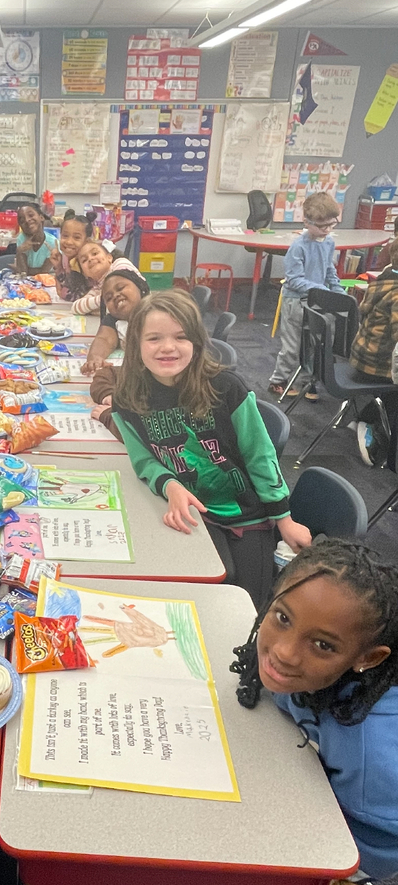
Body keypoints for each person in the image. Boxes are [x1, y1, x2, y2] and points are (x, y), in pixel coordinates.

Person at [165, 540, 398, 885]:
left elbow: (380, 845)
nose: (287, 653)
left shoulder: (372, 749)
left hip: (353, 842)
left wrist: (292, 832)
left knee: (221, 856)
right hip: (303, 777)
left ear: (366, 660)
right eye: (283, 618)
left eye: (323, 645)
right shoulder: (303, 671)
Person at [102, 289, 311, 606]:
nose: (168, 347)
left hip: (246, 514)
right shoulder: (127, 399)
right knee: (188, 593)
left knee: (247, 603)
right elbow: (143, 459)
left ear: (197, 343)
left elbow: (260, 455)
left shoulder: (225, 387)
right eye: (154, 338)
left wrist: (284, 519)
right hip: (190, 515)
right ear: (135, 345)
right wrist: (170, 485)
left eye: (181, 337)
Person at [269, 192, 345, 401]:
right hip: (296, 301)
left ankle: (307, 382)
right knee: (292, 347)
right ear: (307, 222)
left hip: (317, 300)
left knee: (312, 346)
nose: (327, 230)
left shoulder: (328, 243)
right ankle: (279, 380)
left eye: (332, 224)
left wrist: (339, 292)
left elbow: (329, 270)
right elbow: (294, 280)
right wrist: (321, 291)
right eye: (322, 227)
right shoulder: (298, 247)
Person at [348, 237, 398, 467]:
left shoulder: (384, 280)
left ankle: (366, 416)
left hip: (362, 358)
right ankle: (376, 434)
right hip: (377, 366)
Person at [83, 269, 151, 379]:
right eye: (109, 298)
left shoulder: (156, 313)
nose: (116, 296)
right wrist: (95, 358)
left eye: (120, 288)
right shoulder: (113, 320)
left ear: (140, 287)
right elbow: (104, 339)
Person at [71, 240, 143, 316]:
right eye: (84, 260)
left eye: (95, 253)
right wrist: (103, 300)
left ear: (109, 257)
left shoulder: (121, 263)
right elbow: (75, 308)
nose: (90, 259)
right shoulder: (98, 288)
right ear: (84, 274)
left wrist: (96, 307)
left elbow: (126, 303)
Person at [50, 210, 94, 302]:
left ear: (87, 241)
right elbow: (61, 291)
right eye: (65, 236)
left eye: (77, 237)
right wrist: (58, 267)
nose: (69, 242)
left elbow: (67, 295)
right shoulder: (65, 258)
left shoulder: (89, 263)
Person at [15, 203, 58, 276]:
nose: (27, 220)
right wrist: (19, 251)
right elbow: (23, 273)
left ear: (41, 217)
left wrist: (30, 271)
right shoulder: (21, 239)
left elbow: (43, 274)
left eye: (31, 215)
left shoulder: (52, 242)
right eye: (22, 220)